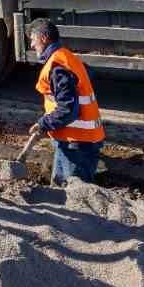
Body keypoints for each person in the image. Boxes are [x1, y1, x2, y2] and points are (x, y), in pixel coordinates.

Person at [29, 19, 105, 183]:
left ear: (43, 38)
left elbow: (68, 109)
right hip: (76, 140)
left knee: (72, 192)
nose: (31, 45)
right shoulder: (66, 57)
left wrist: (44, 123)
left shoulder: (58, 67)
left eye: (32, 40)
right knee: (62, 187)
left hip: (76, 144)